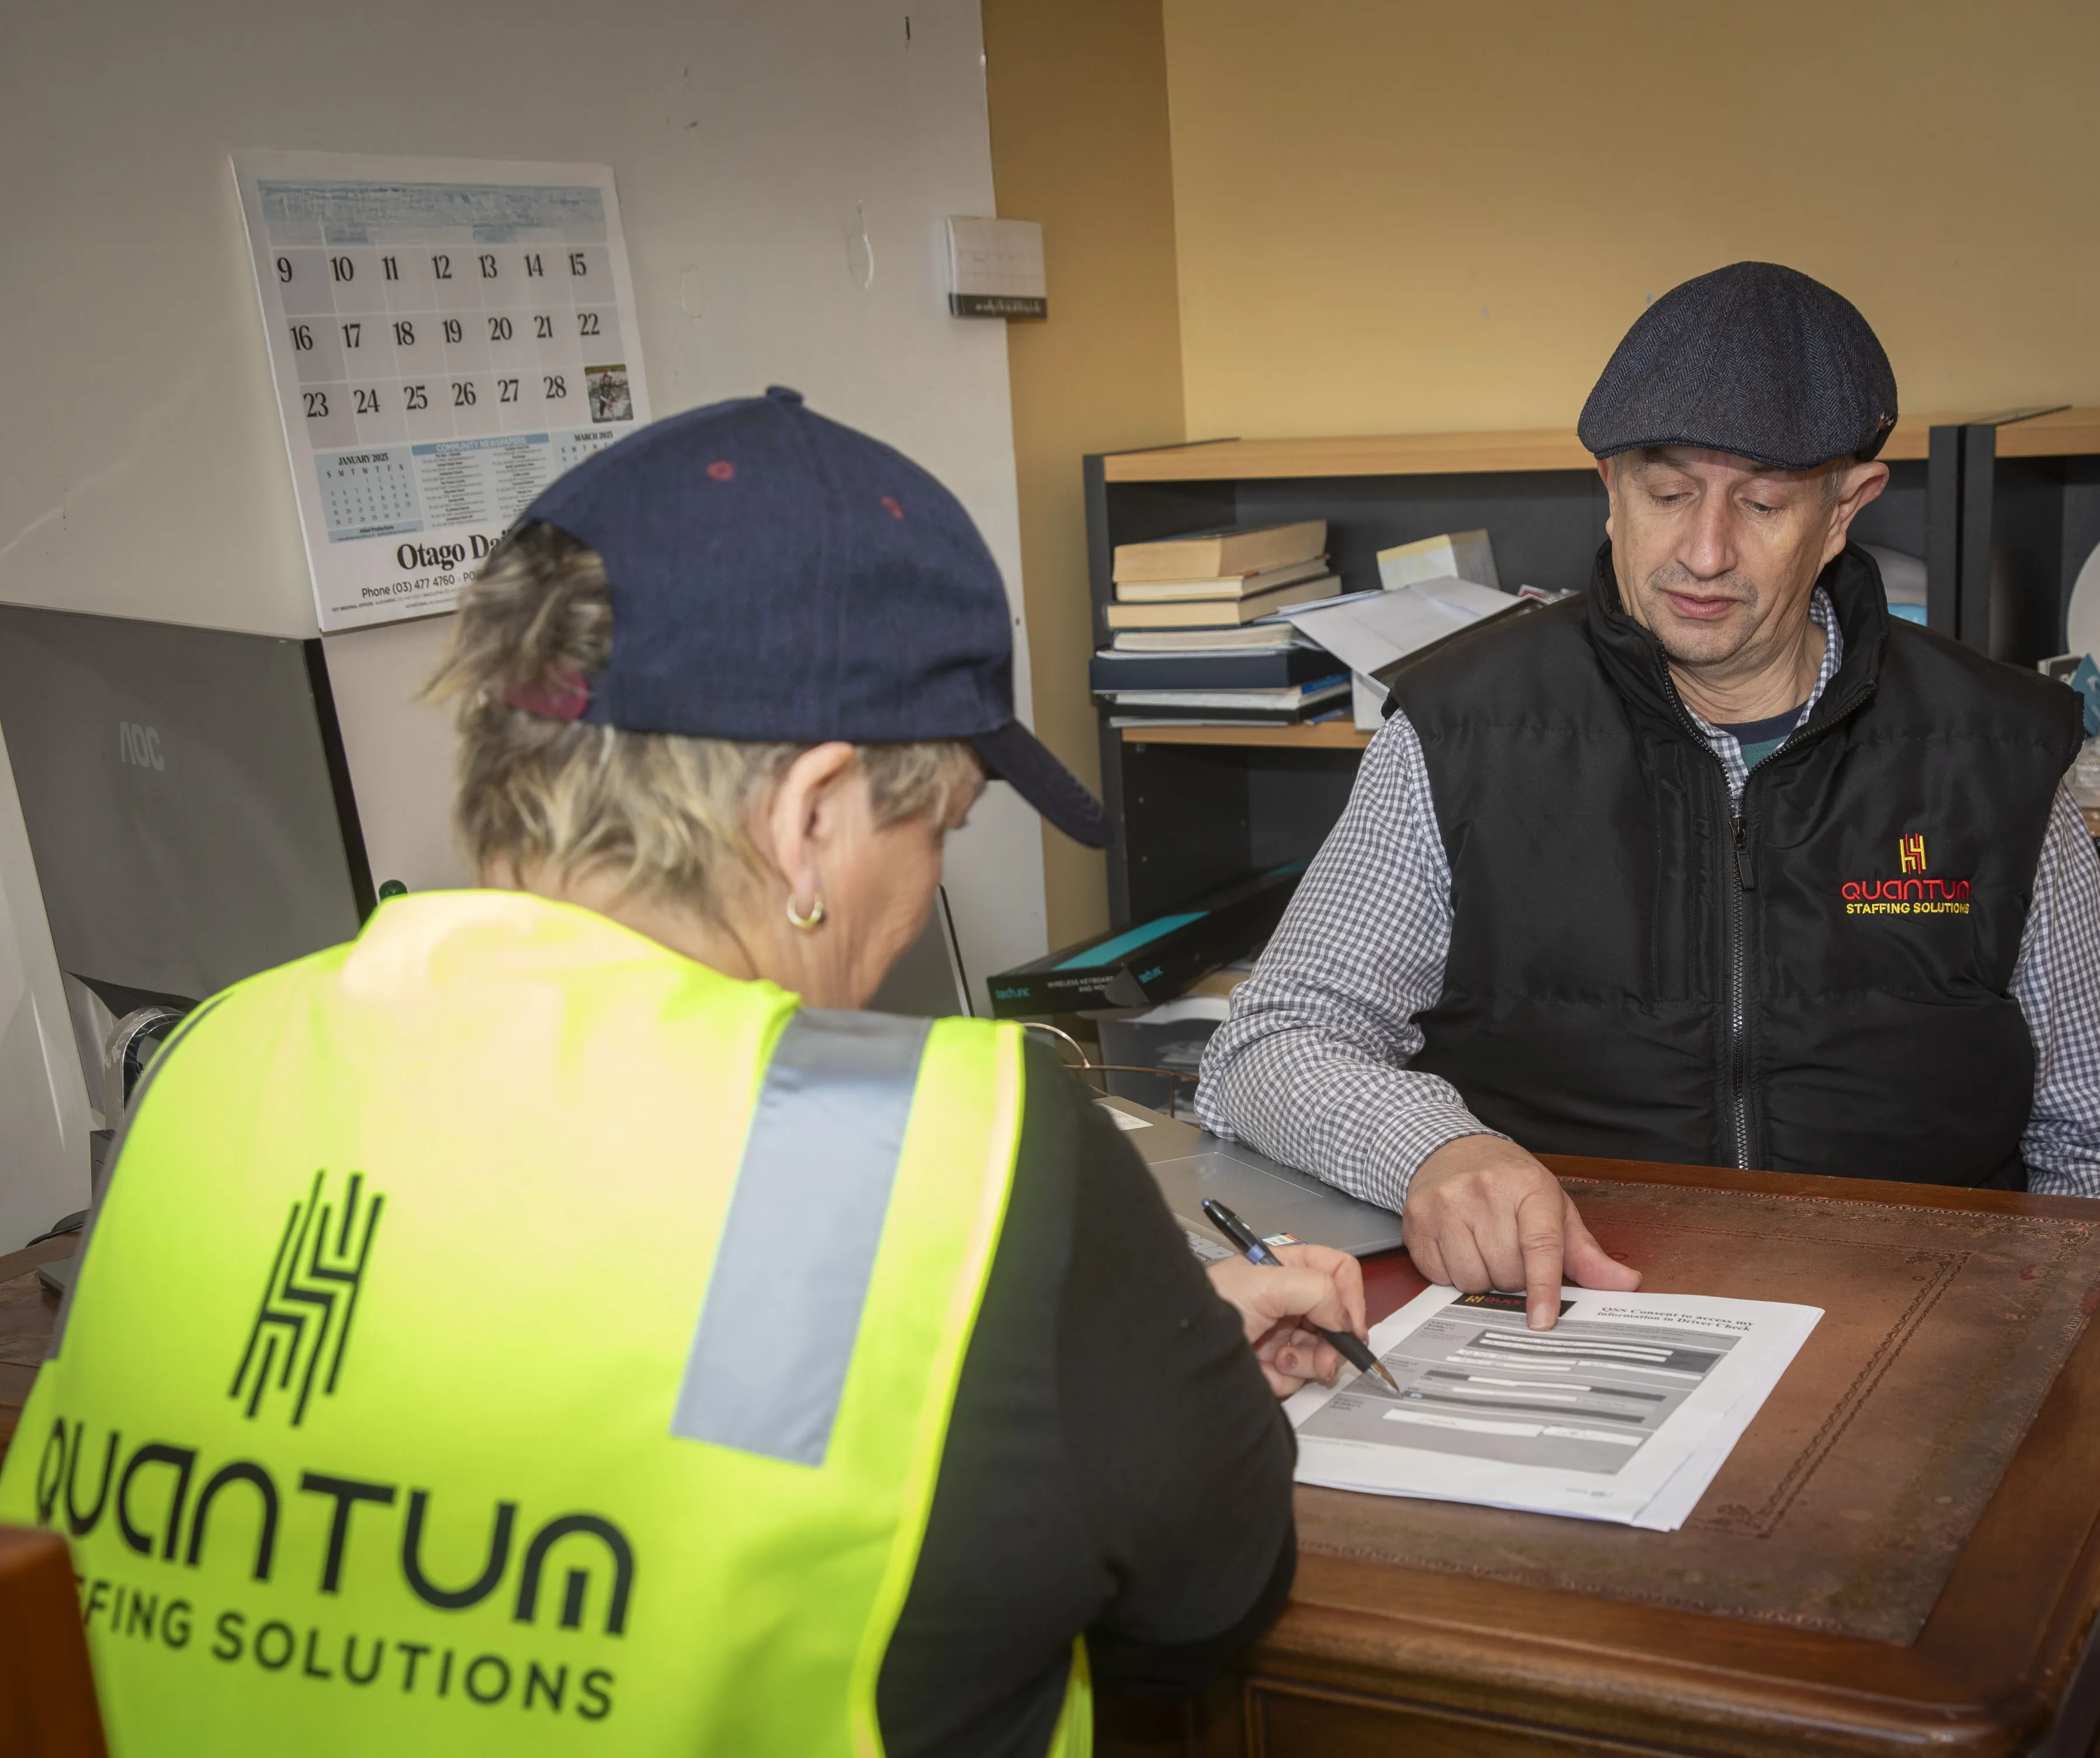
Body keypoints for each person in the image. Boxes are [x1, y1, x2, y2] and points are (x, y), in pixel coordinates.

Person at [0, 389, 1367, 1756]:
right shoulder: (967, 1138)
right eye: (940, 827)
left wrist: (1102, 1343)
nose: (924, 893)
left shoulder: (201, 1065)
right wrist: (1144, 1371)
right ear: (805, 814)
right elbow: (1201, 1605)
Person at [1198, 262, 2100, 1330]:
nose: (1704, 553)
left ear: (1847, 508)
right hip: (1564, 1323)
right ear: (1610, 492)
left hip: (1914, 1331)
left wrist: (2057, 1345)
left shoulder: (1995, 751)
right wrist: (1439, 1149)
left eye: (1761, 503)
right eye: (1667, 495)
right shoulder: (1459, 728)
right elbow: (1272, 1043)